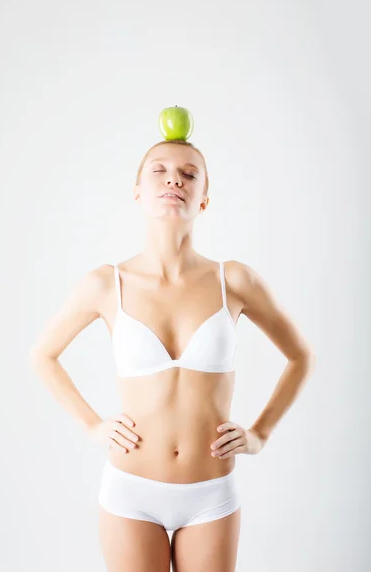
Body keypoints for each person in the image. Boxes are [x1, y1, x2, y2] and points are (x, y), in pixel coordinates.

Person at [29, 138, 316, 572]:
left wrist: (260, 434)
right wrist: (91, 425)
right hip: (131, 491)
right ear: (138, 192)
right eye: (159, 170)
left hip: (211, 494)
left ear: (204, 200)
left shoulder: (233, 280)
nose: (174, 180)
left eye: (189, 174)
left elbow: (300, 356)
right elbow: (43, 355)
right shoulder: (107, 285)